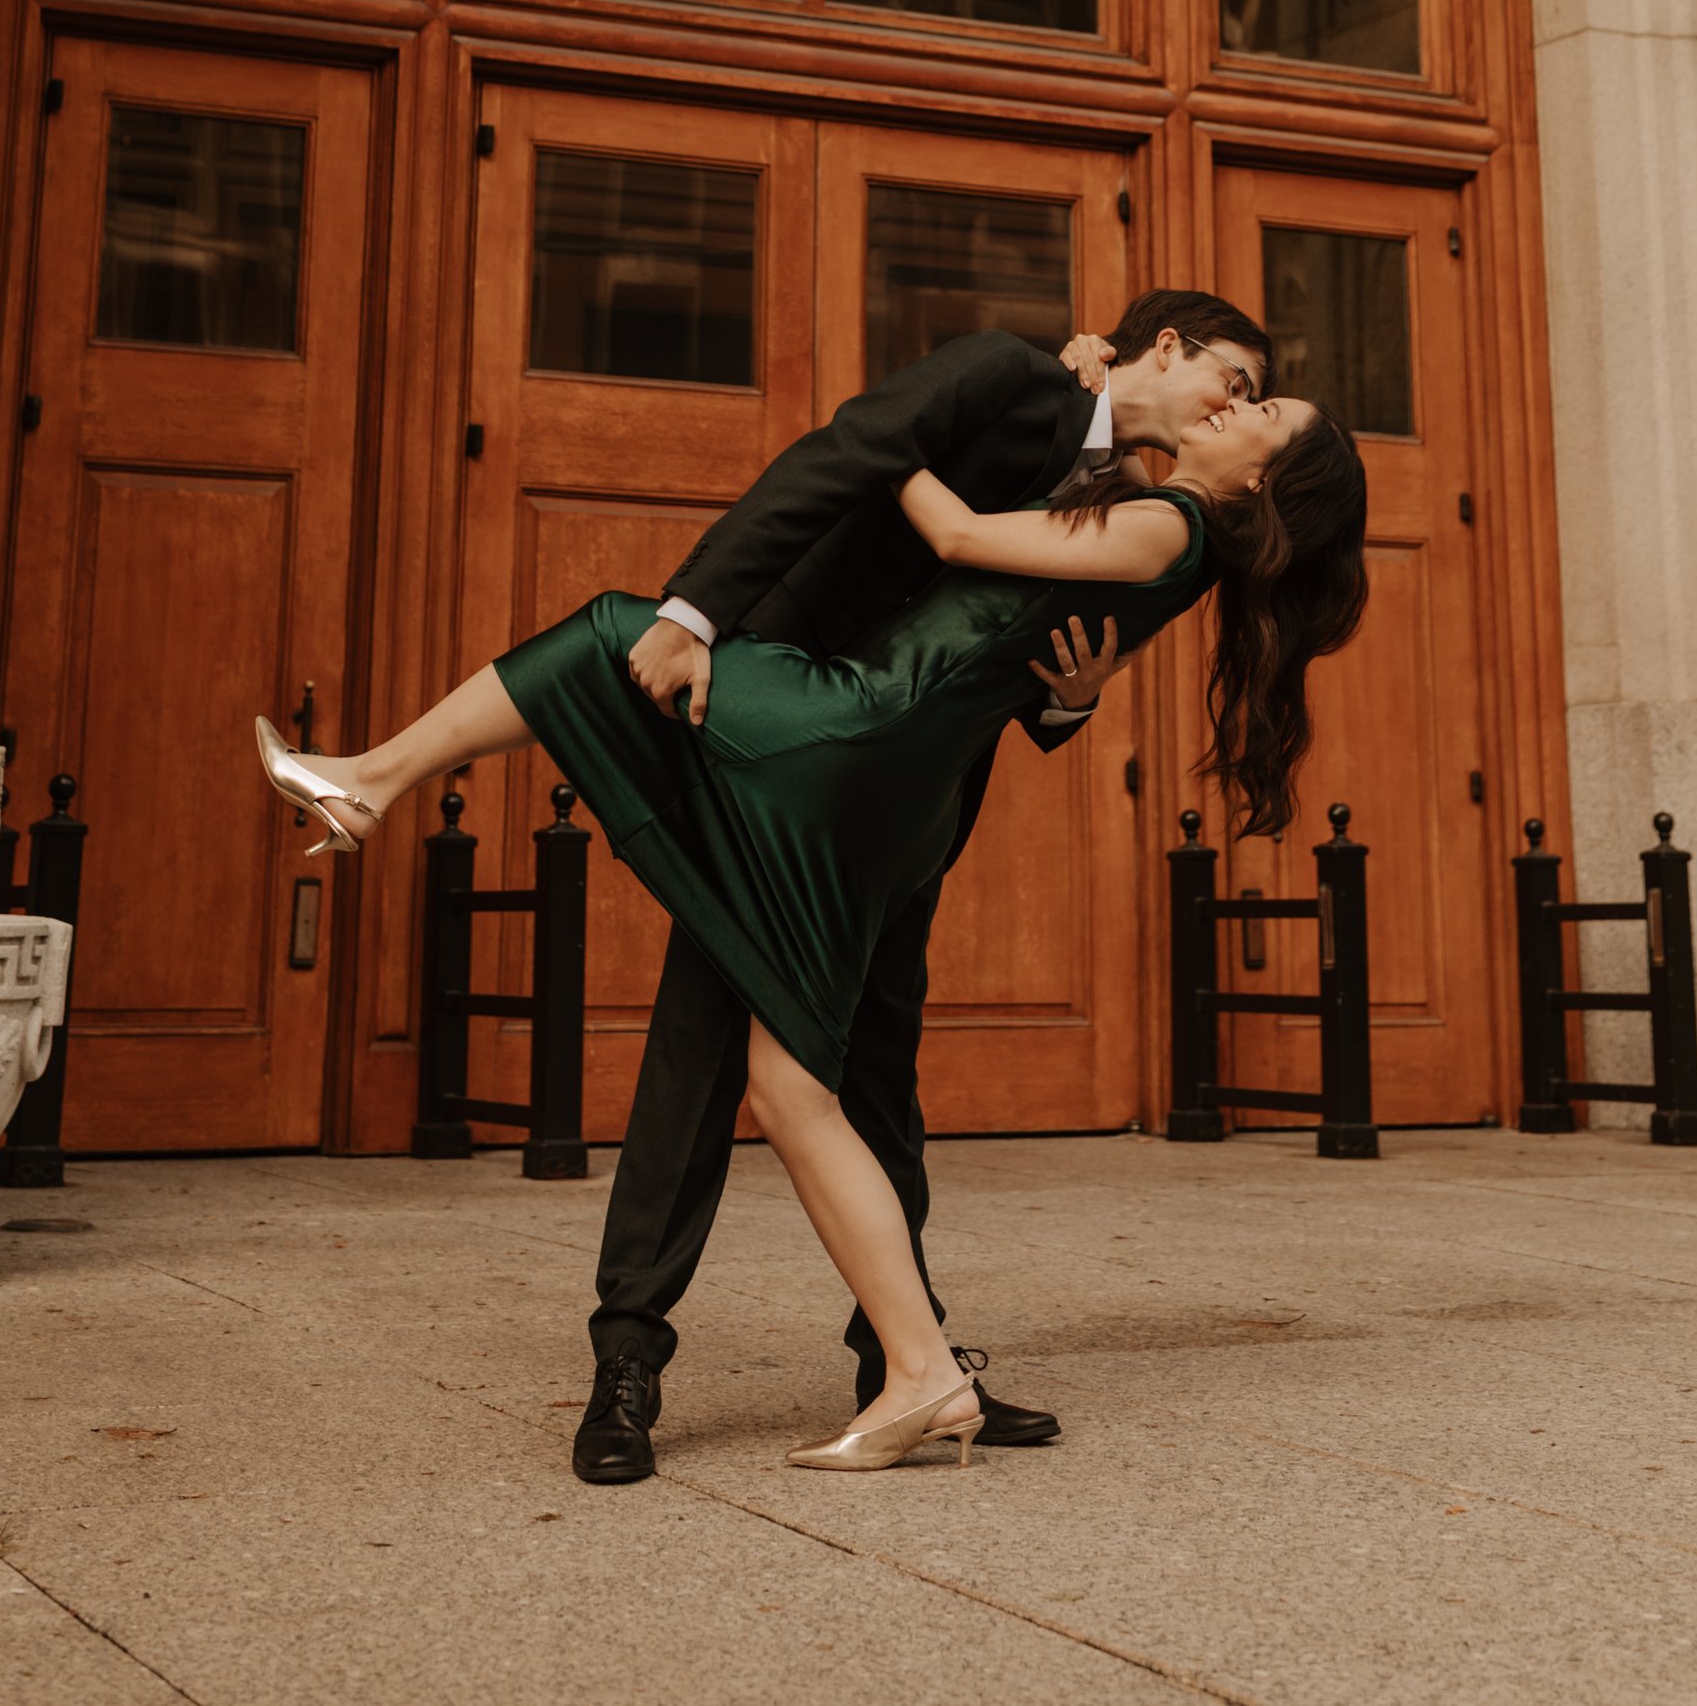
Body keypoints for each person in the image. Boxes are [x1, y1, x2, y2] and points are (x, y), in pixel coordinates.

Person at [256, 308, 1369, 1470]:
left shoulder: (1152, 508)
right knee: (727, 1059)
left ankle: (907, 1359)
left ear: (1263, 480)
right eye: (1235, 378)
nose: (1232, 402)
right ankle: (640, 1361)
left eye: (1256, 403)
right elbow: (838, 466)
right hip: (801, 721)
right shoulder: (1021, 388)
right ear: (1168, 347)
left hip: (882, 777)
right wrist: (695, 614)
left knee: (868, 1081)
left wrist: (1071, 692)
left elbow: (1004, 606)